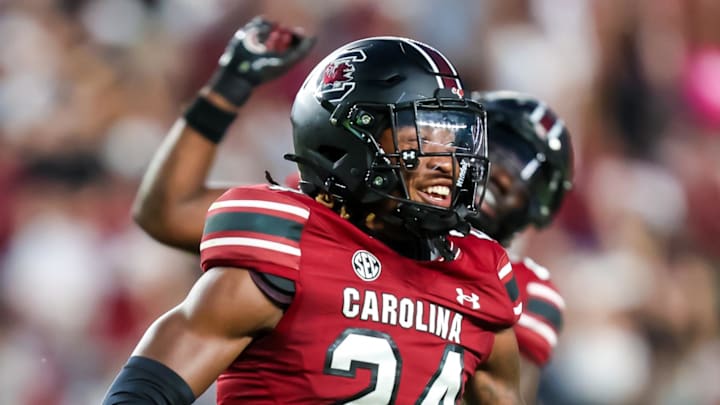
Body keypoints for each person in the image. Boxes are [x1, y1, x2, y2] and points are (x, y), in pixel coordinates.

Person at [105, 17, 525, 404]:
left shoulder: (480, 276)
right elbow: (147, 390)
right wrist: (226, 90)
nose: (446, 162)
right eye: (423, 137)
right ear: (348, 140)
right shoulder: (290, 245)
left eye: (455, 138)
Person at [467, 90, 573, 403]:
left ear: (535, 210)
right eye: (498, 151)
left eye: (525, 180)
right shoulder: (387, 223)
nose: (503, 177)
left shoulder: (525, 290)